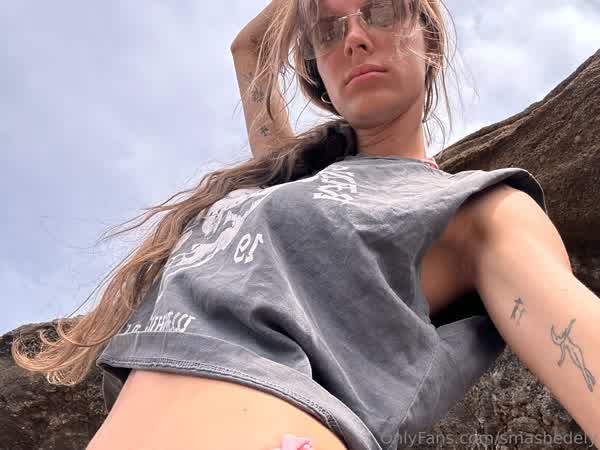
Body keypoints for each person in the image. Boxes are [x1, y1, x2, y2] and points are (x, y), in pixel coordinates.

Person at [13, 0, 598, 449]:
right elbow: (248, 50)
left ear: (430, 38)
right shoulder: (285, 180)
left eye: (381, 11)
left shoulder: (476, 208)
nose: (355, 37)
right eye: (328, 30)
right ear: (318, 68)